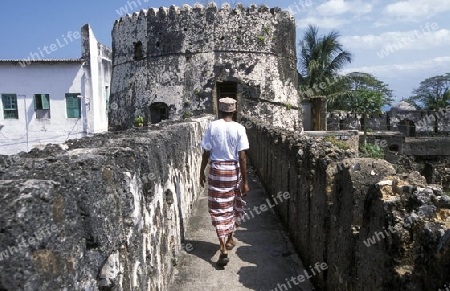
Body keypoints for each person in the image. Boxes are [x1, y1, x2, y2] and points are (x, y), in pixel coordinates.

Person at [199, 97, 250, 266]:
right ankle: (228, 238)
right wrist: (245, 181)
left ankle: (223, 246)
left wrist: (201, 172)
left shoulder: (213, 126)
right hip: (232, 171)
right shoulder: (240, 128)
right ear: (234, 110)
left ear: (220, 110)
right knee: (231, 204)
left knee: (218, 208)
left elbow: (206, 152)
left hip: (216, 171)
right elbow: (242, 157)